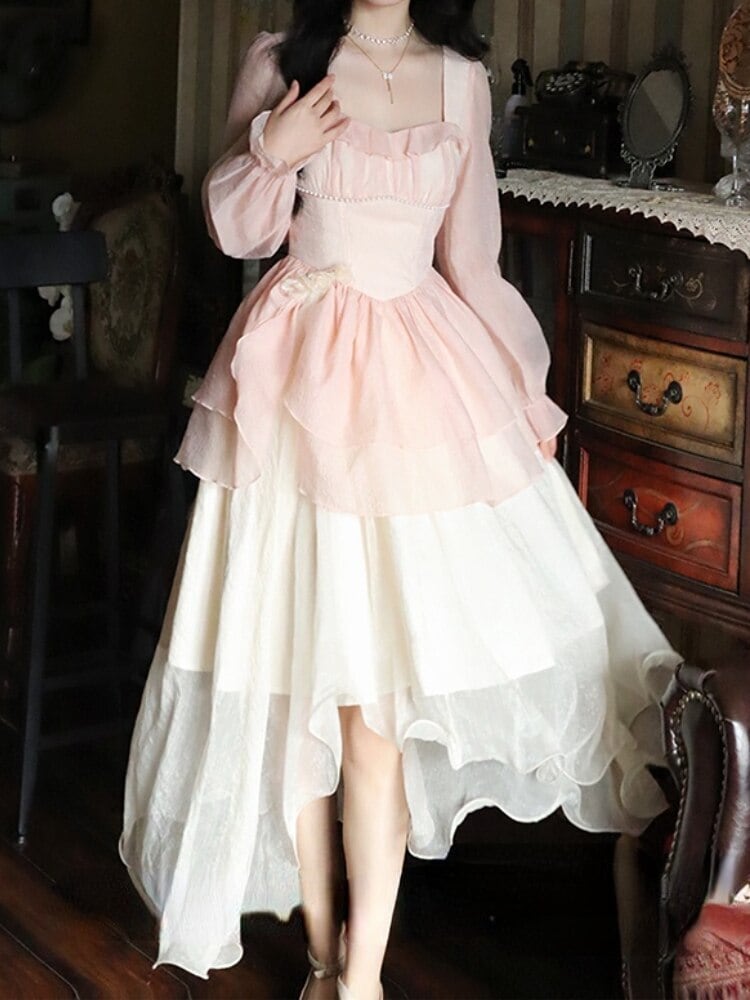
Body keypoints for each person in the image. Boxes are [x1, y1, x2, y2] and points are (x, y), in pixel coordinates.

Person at [119, 2, 682, 998]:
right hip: (297, 390)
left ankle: (362, 978)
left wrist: (523, 398)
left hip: (417, 390)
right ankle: (324, 953)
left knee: (374, 711)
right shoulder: (283, 59)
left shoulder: (460, 79)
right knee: (295, 686)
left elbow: (474, 265)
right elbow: (235, 227)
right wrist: (272, 145)